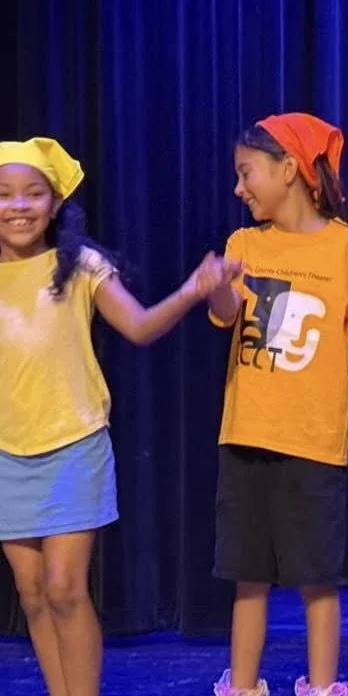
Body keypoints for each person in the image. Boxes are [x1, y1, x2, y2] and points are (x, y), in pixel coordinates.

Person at [0, 137, 226, 696]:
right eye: (5, 195)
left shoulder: (79, 266)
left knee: (65, 588)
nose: (19, 206)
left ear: (55, 205)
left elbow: (141, 326)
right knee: (31, 593)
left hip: (74, 444)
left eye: (34, 194)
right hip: (6, 453)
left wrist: (193, 291)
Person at [205, 113, 348, 696]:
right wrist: (218, 285)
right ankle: (242, 686)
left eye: (247, 173)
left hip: (314, 443)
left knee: (317, 579)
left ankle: (322, 687)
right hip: (246, 435)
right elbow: (225, 316)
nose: (238, 188)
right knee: (249, 577)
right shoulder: (244, 243)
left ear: (289, 170)